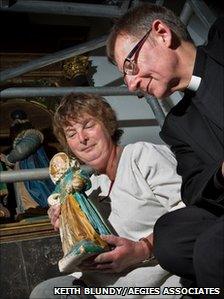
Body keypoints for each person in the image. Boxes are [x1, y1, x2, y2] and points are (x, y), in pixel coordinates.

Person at [106, 3, 224, 295]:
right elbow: (194, 187)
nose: (132, 85)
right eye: (125, 76)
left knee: (211, 251)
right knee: (170, 237)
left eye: (130, 66)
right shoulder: (176, 125)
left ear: (161, 33)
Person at [30, 93, 184, 299]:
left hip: (156, 286)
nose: (82, 138)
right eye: (71, 133)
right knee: (46, 291)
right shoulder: (91, 185)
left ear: (108, 125)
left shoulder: (141, 156)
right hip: (103, 286)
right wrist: (68, 221)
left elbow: (191, 214)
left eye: (88, 125)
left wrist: (143, 248)